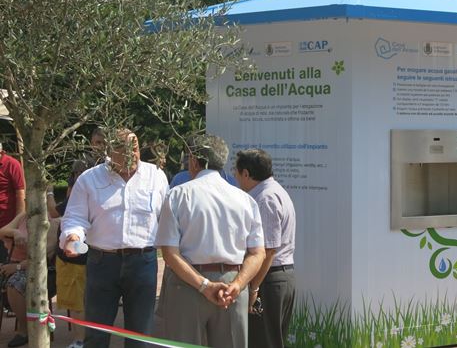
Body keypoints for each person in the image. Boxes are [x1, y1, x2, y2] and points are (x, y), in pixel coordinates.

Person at [60, 128, 169, 347]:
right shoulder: (89, 179)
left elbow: (167, 219)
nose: (131, 154)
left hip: (143, 262)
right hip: (101, 262)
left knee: (140, 336)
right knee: (96, 335)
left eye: (135, 148)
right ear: (109, 150)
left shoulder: (156, 176)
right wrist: (73, 236)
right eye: (124, 149)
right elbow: (75, 217)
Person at [156, 134, 265, 347]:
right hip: (232, 285)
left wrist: (204, 285)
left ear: (195, 161)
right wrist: (238, 284)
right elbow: (257, 252)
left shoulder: (178, 195)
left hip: (187, 283)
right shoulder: (246, 200)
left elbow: (169, 252)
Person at [236, 149, 297, 348]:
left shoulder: (265, 198)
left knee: (264, 341)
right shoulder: (273, 191)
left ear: (246, 173)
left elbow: (268, 250)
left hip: (269, 279)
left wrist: (253, 288)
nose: (235, 177)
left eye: (236, 172)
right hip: (275, 277)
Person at [48, 160, 92, 348]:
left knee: (77, 302)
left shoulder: (79, 194)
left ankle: (80, 340)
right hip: (82, 253)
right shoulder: (91, 190)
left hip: (77, 257)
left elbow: (54, 211)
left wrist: (49, 191)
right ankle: (82, 338)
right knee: (81, 301)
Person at [0, 213, 60, 348]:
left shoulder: (51, 224)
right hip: (13, 263)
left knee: (14, 283)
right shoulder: (23, 216)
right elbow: (2, 231)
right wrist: (15, 232)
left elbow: (41, 257)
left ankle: (25, 330)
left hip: (40, 271)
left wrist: (17, 267)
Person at [0, 143, 25, 263]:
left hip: (5, 221)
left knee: (4, 258)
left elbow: (20, 193)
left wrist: (18, 221)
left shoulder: (12, 164)